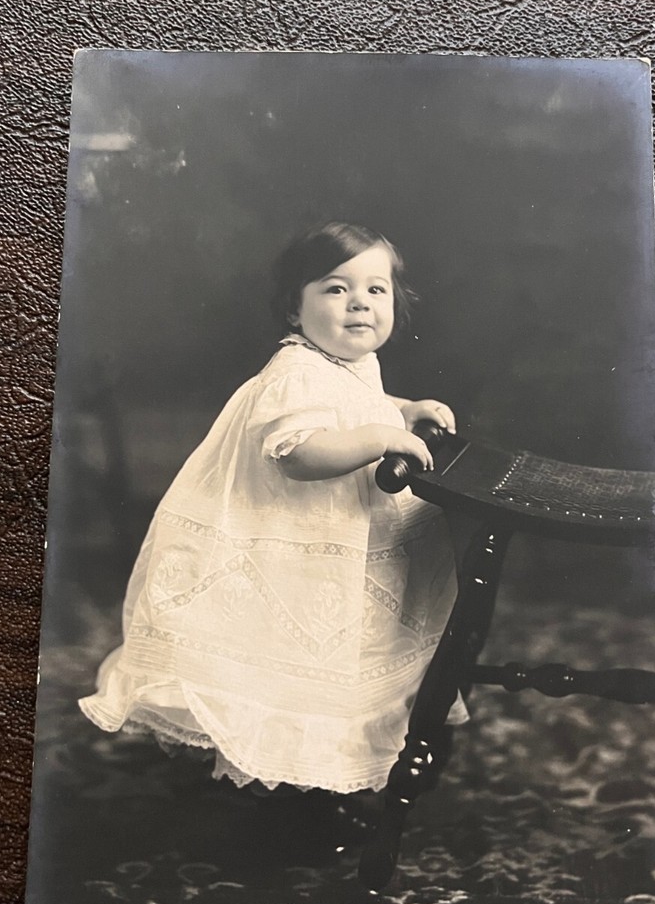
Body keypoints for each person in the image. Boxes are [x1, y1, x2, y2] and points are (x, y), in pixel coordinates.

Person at [79, 222, 467, 809]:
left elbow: (359, 401)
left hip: (350, 538)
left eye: (376, 289)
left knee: (364, 644)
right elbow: (301, 454)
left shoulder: (348, 364)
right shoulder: (294, 374)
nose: (359, 302)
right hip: (295, 546)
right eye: (335, 289)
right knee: (301, 662)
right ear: (294, 309)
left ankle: (339, 769)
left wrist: (403, 409)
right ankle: (297, 792)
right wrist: (378, 436)